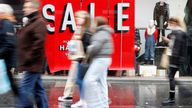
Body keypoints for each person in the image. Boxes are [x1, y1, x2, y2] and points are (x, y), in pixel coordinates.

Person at [16, 0, 49, 108]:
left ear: (34, 8)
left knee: (24, 88)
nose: (24, 9)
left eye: (27, 7)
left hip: (33, 63)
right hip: (32, 62)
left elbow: (39, 43)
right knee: (38, 89)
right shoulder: (32, 21)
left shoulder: (39, 23)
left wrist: (28, 57)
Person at [58, 10, 92, 106]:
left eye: (80, 17)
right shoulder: (80, 28)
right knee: (74, 78)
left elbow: (86, 45)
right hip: (77, 57)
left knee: (77, 78)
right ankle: (69, 95)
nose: (78, 19)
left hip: (81, 58)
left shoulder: (85, 30)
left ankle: (71, 96)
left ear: (85, 19)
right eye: (77, 17)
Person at [83, 16, 114, 108]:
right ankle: (104, 103)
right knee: (102, 81)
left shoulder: (100, 33)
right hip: (104, 58)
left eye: (94, 22)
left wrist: (88, 50)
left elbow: (95, 47)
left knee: (89, 80)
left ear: (98, 24)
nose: (92, 24)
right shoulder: (105, 32)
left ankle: (96, 103)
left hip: (100, 59)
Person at [162, 17, 187, 105]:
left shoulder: (179, 33)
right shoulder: (176, 33)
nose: (170, 24)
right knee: (170, 76)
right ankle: (183, 91)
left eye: (171, 23)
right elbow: (174, 45)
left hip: (175, 58)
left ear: (176, 23)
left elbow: (178, 48)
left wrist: (174, 59)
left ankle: (173, 97)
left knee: (171, 77)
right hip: (173, 58)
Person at [0, 4, 18, 95]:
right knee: (12, 84)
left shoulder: (7, 24)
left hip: (7, 60)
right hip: (4, 60)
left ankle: (24, 101)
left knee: (12, 84)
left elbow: (10, 43)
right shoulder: (3, 23)